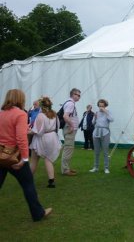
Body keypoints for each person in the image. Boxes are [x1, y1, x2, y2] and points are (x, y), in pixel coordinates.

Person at [0, 89, 52, 221]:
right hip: (14, 157)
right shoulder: (20, 114)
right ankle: (38, 213)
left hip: (1, 154)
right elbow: (21, 139)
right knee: (28, 184)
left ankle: (38, 213)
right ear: (20, 99)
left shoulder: (1, 113)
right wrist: (24, 158)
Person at [29, 96, 62, 188]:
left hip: (41, 138)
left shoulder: (40, 115)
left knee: (34, 160)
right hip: (52, 137)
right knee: (48, 159)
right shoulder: (54, 114)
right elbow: (58, 126)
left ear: (41, 106)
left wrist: (27, 131)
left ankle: (28, 179)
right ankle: (51, 181)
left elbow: (35, 130)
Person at [89, 99, 114, 174]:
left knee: (105, 151)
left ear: (105, 106)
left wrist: (106, 112)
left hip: (105, 132)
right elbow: (93, 122)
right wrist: (95, 117)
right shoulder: (96, 113)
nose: (101, 107)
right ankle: (95, 167)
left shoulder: (108, 112)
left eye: (102, 106)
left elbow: (112, 119)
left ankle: (106, 168)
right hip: (96, 132)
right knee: (96, 151)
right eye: (99, 106)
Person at [61, 88, 81, 176]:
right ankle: (65, 170)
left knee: (69, 148)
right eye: (77, 95)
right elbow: (65, 116)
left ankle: (66, 167)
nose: (79, 97)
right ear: (73, 95)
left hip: (69, 128)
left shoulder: (69, 103)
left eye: (79, 95)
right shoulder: (70, 103)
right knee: (68, 148)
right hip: (69, 129)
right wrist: (72, 125)